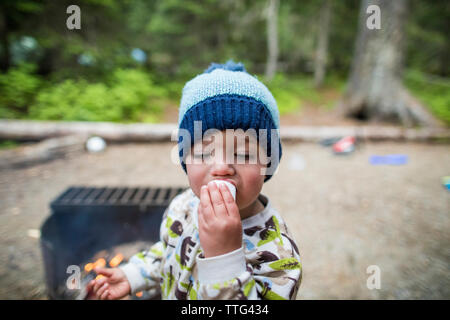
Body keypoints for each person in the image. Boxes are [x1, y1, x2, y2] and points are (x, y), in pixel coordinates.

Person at [87, 60, 302, 300]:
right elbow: (168, 252)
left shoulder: (279, 254)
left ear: (268, 163)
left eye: (243, 154)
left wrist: (224, 259)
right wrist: (133, 275)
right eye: (202, 153)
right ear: (185, 160)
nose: (222, 167)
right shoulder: (183, 206)